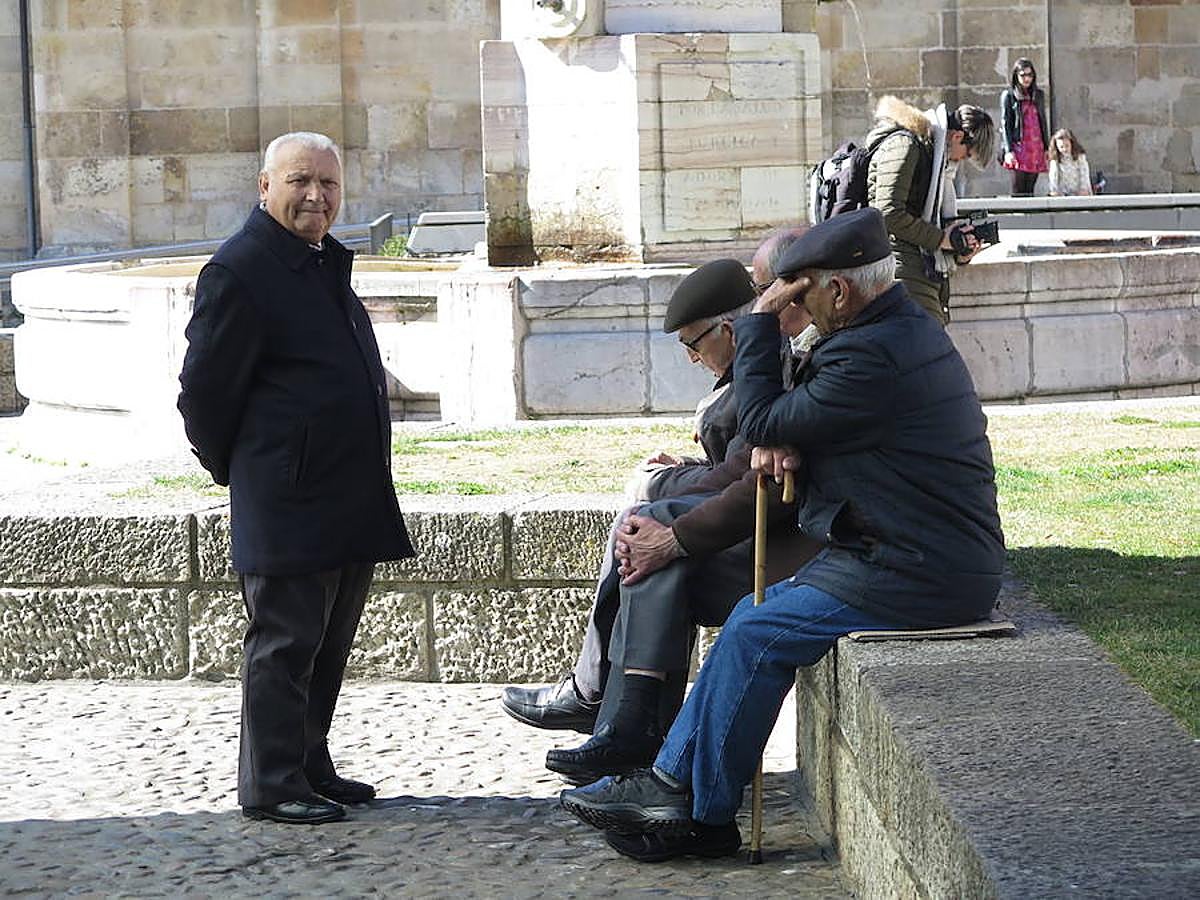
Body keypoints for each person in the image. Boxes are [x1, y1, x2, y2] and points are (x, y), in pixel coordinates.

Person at [559, 207, 1006, 863]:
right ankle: (684, 798)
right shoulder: (886, 335)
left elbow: (763, 419)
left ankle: (687, 802)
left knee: (756, 630)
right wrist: (785, 436)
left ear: (838, 291)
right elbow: (782, 427)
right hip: (894, 549)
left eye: (800, 291)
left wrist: (762, 323)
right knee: (751, 617)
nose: (792, 304)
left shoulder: (871, 354)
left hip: (917, 566)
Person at [502, 234, 819, 784]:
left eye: (768, 289)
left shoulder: (787, 361)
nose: (762, 300)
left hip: (801, 542)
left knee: (653, 536)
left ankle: (627, 724)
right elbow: (746, 464)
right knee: (649, 537)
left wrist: (667, 505)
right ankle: (625, 724)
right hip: (775, 522)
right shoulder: (774, 357)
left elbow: (752, 480)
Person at [177, 132, 414, 825]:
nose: (316, 196)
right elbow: (203, 394)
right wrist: (242, 469)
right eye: (300, 181)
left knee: (327, 641)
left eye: (329, 184)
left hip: (343, 489)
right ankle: (272, 782)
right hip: (288, 492)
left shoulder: (317, 260)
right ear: (264, 187)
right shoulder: (242, 269)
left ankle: (308, 763)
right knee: (283, 645)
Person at [864, 95, 995, 325]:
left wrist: (958, 250)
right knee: (929, 343)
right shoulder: (905, 145)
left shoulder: (932, 156)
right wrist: (941, 239)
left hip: (917, 268)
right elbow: (887, 214)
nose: (960, 162)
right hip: (897, 268)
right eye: (965, 155)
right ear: (957, 136)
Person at [999, 58, 1049, 197]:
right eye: (1023, 75)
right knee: (1018, 189)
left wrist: (1046, 147)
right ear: (1016, 76)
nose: (1027, 79)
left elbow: (1043, 121)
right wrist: (1009, 150)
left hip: (1035, 147)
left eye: (1030, 75)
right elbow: (1005, 124)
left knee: (1030, 189)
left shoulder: (1038, 95)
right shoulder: (1009, 96)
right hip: (1018, 146)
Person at [1047, 128, 1093, 197]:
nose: (1064, 149)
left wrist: (1084, 188)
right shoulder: (1055, 159)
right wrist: (1054, 190)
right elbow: (1053, 176)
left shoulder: (1080, 157)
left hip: (1080, 191)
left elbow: (1084, 173)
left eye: (1067, 146)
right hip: (1063, 193)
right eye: (1061, 147)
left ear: (1071, 143)